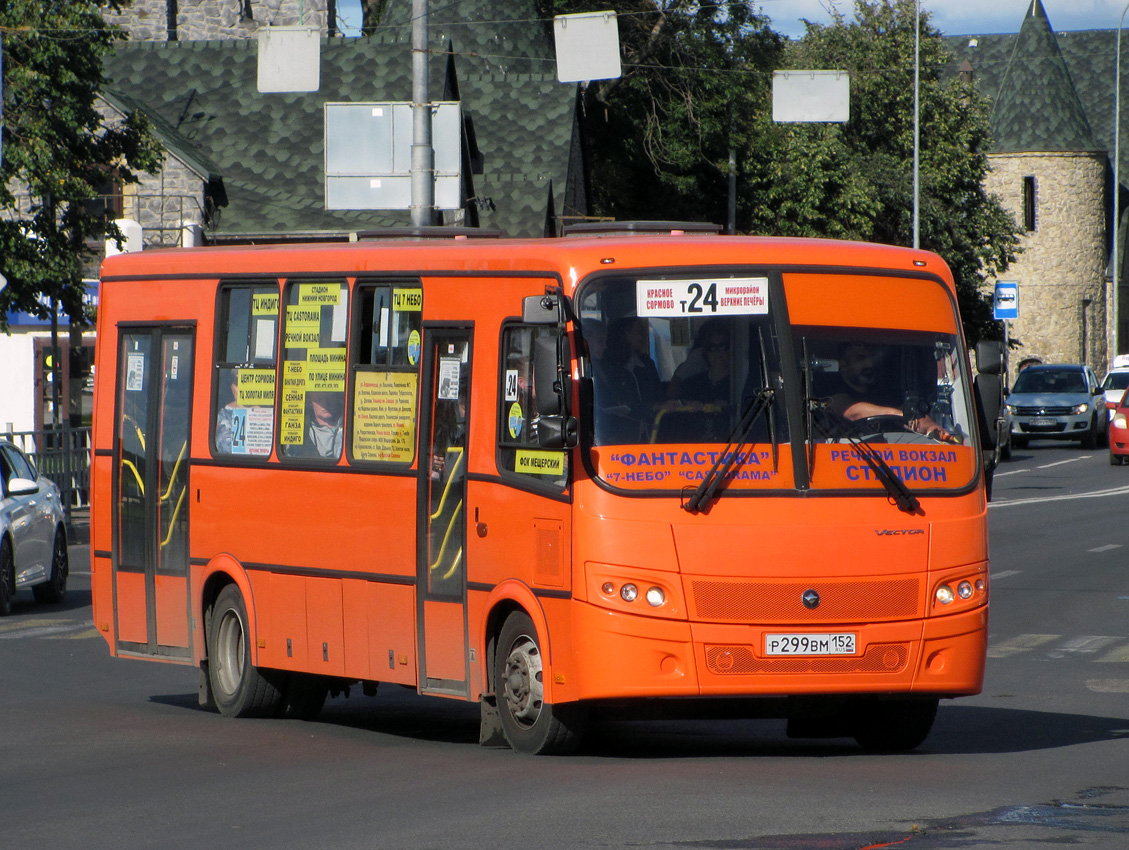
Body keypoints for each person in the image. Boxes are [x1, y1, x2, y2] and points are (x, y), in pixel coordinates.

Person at [827, 342, 955, 442]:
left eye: (871, 357)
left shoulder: (884, 394)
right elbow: (853, 412)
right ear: (843, 364)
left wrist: (931, 428)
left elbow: (911, 414)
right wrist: (899, 415)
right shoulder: (831, 391)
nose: (869, 363)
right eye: (860, 358)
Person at [305, 391, 344, 458]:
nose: (325, 403)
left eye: (329, 398)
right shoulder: (305, 432)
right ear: (310, 402)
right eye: (319, 399)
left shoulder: (348, 425)